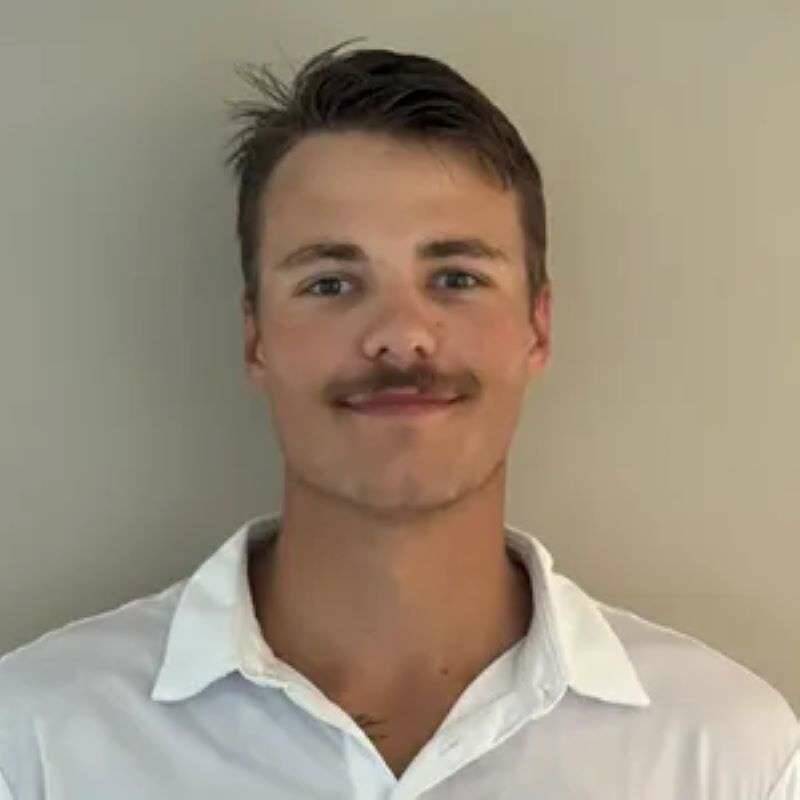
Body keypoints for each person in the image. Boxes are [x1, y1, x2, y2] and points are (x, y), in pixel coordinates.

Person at [0, 37, 797, 799]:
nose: (402, 334)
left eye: (456, 277)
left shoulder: (729, 756)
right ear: (255, 338)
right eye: (330, 283)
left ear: (537, 328)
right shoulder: (34, 743)